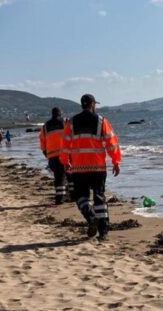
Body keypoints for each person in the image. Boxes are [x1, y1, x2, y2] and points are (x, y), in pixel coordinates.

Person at [61, 94, 121, 240]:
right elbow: (111, 143)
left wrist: (65, 161)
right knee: (99, 198)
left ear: (82, 105)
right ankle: (103, 232)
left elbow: (65, 144)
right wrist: (115, 161)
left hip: (79, 168)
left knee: (81, 197)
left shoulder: (71, 122)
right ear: (93, 104)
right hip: (97, 167)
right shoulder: (101, 121)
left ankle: (91, 216)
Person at [40, 107, 68, 204]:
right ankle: (61, 197)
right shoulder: (65, 122)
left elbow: (42, 141)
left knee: (58, 176)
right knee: (66, 176)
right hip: (64, 154)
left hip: (52, 156)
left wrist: (46, 153)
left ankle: (60, 196)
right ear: (60, 113)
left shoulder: (45, 126)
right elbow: (70, 136)